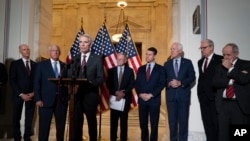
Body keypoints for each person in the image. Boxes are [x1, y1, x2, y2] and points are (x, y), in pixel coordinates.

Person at [213, 43, 250, 141]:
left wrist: (230, 68)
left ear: (236, 54)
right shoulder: (219, 67)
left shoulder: (246, 65)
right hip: (223, 105)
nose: (225, 57)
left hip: (239, 106)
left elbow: (243, 79)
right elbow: (215, 82)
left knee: (239, 135)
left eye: (228, 55)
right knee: (223, 136)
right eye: (223, 54)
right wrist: (231, 81)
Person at [70, 34, 104, 141]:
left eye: (85, 42)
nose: (82, 44)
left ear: (90, 44)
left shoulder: (97, 59)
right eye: (80, 42)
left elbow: (100, 78)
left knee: (91, 123)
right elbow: (71, 76)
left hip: (90, 96)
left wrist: (89, 83)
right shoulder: (74, 59)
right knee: (77, 124)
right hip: (76, 97)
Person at [34, 44, 69, 141]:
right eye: (53, 50)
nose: (56, 52)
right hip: (45, 101)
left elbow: (67, 83)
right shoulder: (41, 65)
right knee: (44, 128)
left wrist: (67, 98)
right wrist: (38, 98)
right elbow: (36, 83)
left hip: (61, 102)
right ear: (50, 52)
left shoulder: (65, 66)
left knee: (60, 128)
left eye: (57, 51)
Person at [164, 42, 195, 141]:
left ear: (180, 51)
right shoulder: (167, 64)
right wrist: (169, 83)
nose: (171, 51)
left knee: (183, 122)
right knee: (172, 123)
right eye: (171, 49)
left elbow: (192, 77)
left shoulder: (188, 62)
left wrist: (181, 82)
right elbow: (163, 79)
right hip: (171, 97)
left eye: (173, 49)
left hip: (183, 97)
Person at [135, 47, 165, 141]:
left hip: (154, 101)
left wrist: (151, 95)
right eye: (146, 54)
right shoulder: (141, 69)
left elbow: (162, 83)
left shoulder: (160, 69)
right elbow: (137, 83)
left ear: (154, 55)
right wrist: (140, 94)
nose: (147, 56)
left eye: (149, 54)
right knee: (143, 124)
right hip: (142, 101)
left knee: (154, 124)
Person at [9, 44, 36, 141]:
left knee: (29, 117)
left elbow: (37, 81)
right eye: (24, 49)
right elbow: (12, 80)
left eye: (28, 49)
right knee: (16, 117)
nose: (27, 51)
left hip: (31, 95)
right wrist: (21, 94)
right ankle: (17, 137)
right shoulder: (15, 64)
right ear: (20, 51)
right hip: (18, 95)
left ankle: (27, 136)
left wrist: (33, 93)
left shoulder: (35, 64)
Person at [197, 39, 223, 141]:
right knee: (207, 123)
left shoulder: (220, 60)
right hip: (203, 98)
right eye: (201, 48)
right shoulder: (200, 62)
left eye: (204, 48)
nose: (202, 50)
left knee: (217, 124)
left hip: (215, 97)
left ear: (211, 47)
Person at [106, 53, 135, 141]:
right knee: (113, 122)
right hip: (114, 99)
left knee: (124, 122)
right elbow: (108, 84)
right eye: (118, 59)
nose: (119, 61)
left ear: (125, 61)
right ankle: (113, 138)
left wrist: (124, 93)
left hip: (125, 100)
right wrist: (116, 92)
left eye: (121, 59)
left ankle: (123, 138)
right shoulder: (111, 70)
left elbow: (132, 84)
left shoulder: (129, 71)